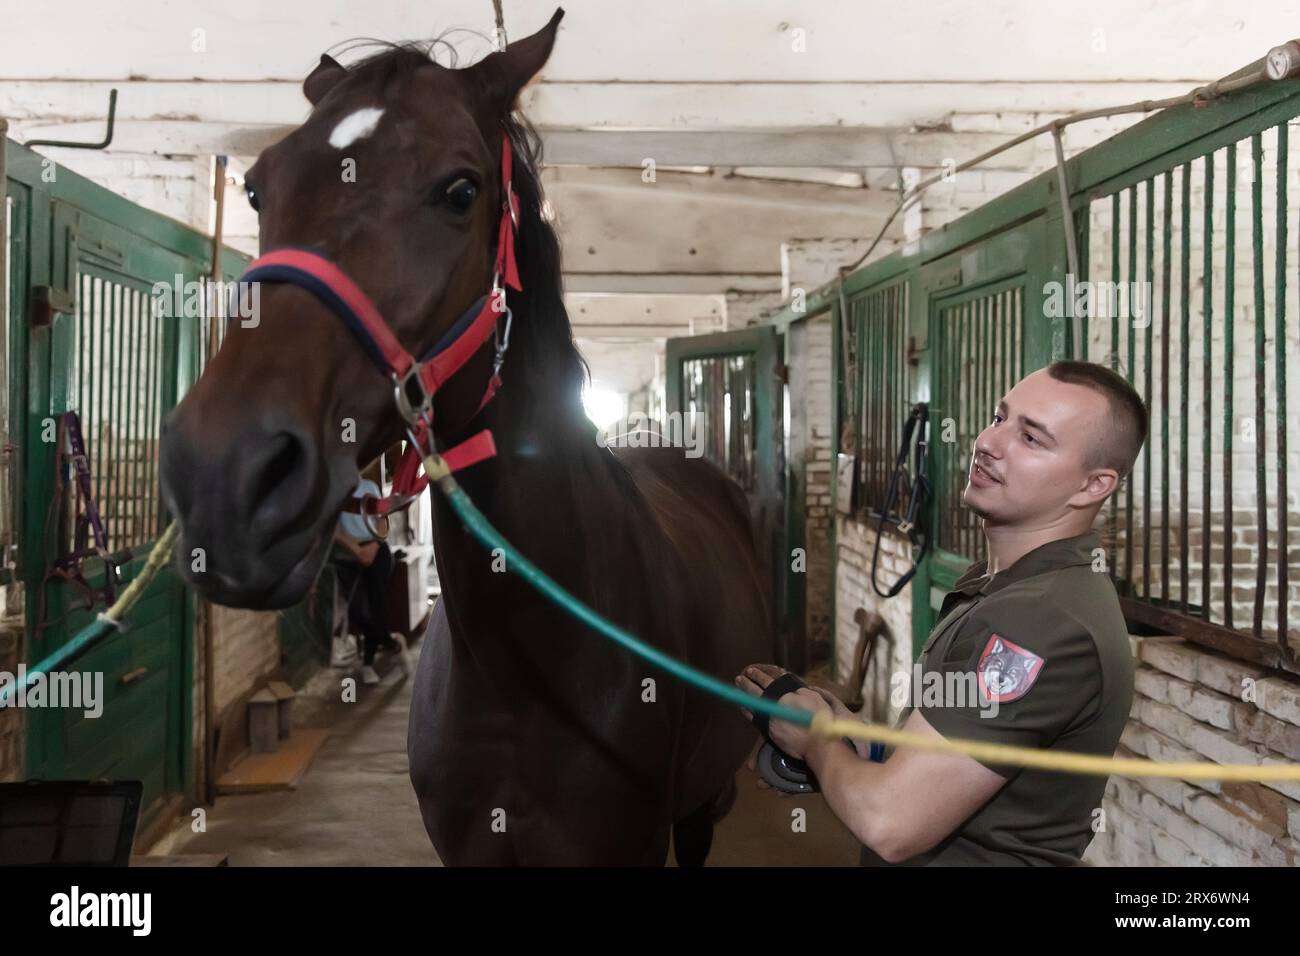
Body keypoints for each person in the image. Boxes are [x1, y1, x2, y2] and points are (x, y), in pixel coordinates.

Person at [737, 360, 1145, 865]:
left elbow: (891, 823)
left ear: (1093, 486)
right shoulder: (1001, 584)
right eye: (1000, 418)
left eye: (1032, 439)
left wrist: (816, 741)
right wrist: (854, 745)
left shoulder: (1039, 618)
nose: (989, 443)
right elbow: (951, 768)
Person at [333, 470, 407, 685]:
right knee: (357, 611)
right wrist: (358, 551)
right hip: (350, 554)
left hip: (377, 551)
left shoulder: (369, 488)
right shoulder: (336, 493)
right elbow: (335, 531)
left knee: (377, 607)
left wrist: (373, 547)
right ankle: (392, 643)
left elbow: (382, 521)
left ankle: (367, 664)